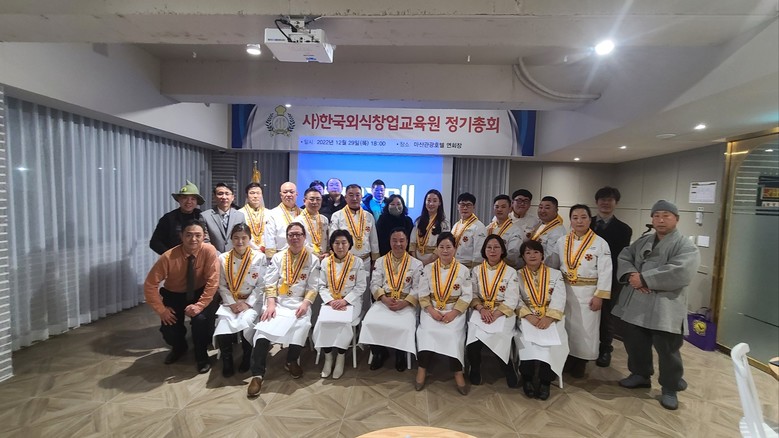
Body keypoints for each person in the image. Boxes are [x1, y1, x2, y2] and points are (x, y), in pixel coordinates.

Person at [612, 200, 700, 411]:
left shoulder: (686, 246)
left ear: (676, 219)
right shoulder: (644, 241)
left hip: (666, 305)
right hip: (638, 303)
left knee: (668, 349)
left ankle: (670, 387)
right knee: (635, 342)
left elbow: (681, 272)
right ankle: (640, 374)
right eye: (657, 216)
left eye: (666, 216)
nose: (661, 220)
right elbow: (625, 255)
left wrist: (644, 279)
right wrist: (631, 275)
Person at [247, 223, 320, 397]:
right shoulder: (278, 257)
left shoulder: (313, 259)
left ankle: (291, 360)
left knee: (302, 326)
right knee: (263, 331)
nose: (295, 238)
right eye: (291, 235)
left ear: (304, 237)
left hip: (299, 302)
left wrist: (305, 304)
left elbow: (313, 286)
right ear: (286, 237)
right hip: (278, 302)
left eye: (298, 234)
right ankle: (257, 374)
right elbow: (270, 282)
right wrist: (271, 304)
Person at [144, 220, 220, 373]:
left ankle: (201, 356)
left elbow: (213, 281)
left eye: (198, 235)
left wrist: (200, 305)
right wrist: (161, 310)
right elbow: (150, 284)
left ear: (204, 236)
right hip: (175, 294)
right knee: (170, 328)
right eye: (189, 235)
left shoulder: (209, 251)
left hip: (200, 292)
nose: (193, 239)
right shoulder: (168, 256)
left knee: (201, 321)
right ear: (181, 236)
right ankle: (179, 347)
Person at [550, 204, 612, 379]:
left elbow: (606, 271)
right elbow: (554, 265)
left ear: (590, 220)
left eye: (583, 217)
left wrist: (600, 296)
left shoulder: (600, 243)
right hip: (565, 291)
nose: (579, 221)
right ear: (570, 220)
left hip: (588, 293)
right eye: (575, 217)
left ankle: (581, 362)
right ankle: (567, 358)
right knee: (566, 327)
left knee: (586, 329)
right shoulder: (562, 241)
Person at [415, 232, 473, 395]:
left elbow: (467, 295)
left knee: (453, 336)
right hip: (431, 311)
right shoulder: (428, 269)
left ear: (455, 248)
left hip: (454, 312)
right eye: (441, 247)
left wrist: (454, 313)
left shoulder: (463, 270)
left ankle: (457, 372)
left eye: (449, 247)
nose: (445, 250)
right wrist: (432, 311)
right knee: (426, 332)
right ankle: (422, 369)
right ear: (437, 249)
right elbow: (422, 293)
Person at [358, 228, 422, 372]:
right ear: (389, 241)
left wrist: (404, 303)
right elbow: (374, 284)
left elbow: (417, 288)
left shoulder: (416, 264)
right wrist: (385, 299)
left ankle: (401, 353)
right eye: (394, 240)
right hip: (384, 301)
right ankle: (379, 352)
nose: (398, 244)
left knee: (404, 325)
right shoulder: (381, 261)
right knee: (369, 322)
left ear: (407, 242)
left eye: (402, 240)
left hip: (405, 303)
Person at [515, 240, 568, 400]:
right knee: (526, 342)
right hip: (527, 317)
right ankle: (527, 378)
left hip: (551, 317)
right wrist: (528, 316)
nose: (532, 255)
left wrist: (549, 317)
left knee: (554, 343)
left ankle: (546, 381)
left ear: (542, 255)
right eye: (528, 253)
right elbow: (516, 299)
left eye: (536, 252)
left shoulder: (555, 274)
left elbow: (559, 297)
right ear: (523, 257)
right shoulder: (517, 275)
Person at [465, 235, 520, 388]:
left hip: (501, 312)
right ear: (484, 250)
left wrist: (495, 314)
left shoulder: (510, 272)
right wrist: (481, 309)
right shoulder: (476, 270)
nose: (492, 250)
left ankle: (507, 368)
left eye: (496, 247)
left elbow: (512, 298)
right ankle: (475, 367)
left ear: (502, 250)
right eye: (489, 247)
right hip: (481, 310)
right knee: (474, 336)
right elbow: (472, 294)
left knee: (500, 335)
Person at [214, 224, 266, 377]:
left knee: (247, 323)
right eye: (236, 238)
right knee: (223, 323)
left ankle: (246, 357)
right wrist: (231, 303)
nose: (240, 241)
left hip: (252, 302)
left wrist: (247, 303)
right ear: (231, 239)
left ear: (250, 239)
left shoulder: (259, 257)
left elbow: (262, 284)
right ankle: (227, 360)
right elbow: (221, 285)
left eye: (244, 238)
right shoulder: (223, 258)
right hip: (231, 302)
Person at [312, 230, 367, 379]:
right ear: (331, 245)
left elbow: (361, 286)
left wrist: (345, 301)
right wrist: (331, 301)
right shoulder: (325, 262)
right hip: (330, 302)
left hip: (350, 302)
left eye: (344, 243)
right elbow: (321, 286)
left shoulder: (357, 262)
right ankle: (328, 358)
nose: (340, 246)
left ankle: (341, 358)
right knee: (323, 322)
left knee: (343, 322)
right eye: (336, 243)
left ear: (350, 244)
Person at [591, 186, 633, 367]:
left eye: (610, 200)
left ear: (616, 203)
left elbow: (620, 258)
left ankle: (605, 349)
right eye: (602, 199)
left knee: (606, 315)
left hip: (610, 279)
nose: (605, 203)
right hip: (585, 277)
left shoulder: (624, 229)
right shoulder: (587, 223)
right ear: (596, 202)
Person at [330, 184, 380, 302]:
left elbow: (373, 240)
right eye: (351, 195)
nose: (354, 198)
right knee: (345, 291)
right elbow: (333, 240)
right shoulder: (337, 216)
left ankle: (364, 313)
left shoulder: (368, 216)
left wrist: (375, 261)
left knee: (365, 293)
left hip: (365, 260)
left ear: (361, 197)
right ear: (345, 197)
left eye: (357, 195)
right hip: (345, 261)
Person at [149, 180, 206, 255]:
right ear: (179, 199)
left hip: (199, 258)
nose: (189, 202)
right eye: (185, 198)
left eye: (193, 199)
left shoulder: (202, 216)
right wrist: (170, 256)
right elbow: (155, 242)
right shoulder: (168, 218)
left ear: (197, 202)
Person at [202, 183, 246, 253]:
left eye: (227, 194)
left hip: (236, 256)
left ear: (232, 197)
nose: (224, 197)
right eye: (220, 194)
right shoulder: (205, 216)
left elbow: (243, 238)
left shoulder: (240, 216)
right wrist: (220, 256)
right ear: (214, 197)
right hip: (214, 257)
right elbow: (205, 241)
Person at [410, 189, 450, 266]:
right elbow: (412, 243)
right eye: (428, 200)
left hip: (435, 261)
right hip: (416, 262)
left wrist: (427, 262)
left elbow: (443, 244)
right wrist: (416, 262)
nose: (431, 204)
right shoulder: (418, 221)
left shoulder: (444, 223)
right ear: (425, 202)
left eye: (434, 201)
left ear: (439, 203)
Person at [263, 182, 301, 258]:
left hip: (301, 255)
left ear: (296, 194)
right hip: (281, 256)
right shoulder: (272, 213)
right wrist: (271, 258)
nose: (288, 195)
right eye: (285, 192)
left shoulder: (303, 213)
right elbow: (270, 237)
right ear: (281, 195)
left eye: (291, 192)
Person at [485, 195, 523, 268]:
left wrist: (494, 260)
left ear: (510, 209)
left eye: (503, 207)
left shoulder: (516, 230)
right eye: (497, 207)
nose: (499, 209)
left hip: (506, 268)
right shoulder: (488, 228)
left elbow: (513, 254)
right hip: (487, 267)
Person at [452, 193, 487, 269]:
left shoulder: (479, 227)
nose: (465, 208)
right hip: (454, 265)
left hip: (468, 267)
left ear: (474, 207)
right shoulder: (456, 226)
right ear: (458, 206)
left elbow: (479, 253)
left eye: (468, 205)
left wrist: (474, 270)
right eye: (462, 205)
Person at [293, 187, 330, 259]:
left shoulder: (324, 219)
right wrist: (315, 254)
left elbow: (328, 240)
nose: (315, 202)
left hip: (324, 257)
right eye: (312, 199)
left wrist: (327, 252)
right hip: (306, 257)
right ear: (304, 201)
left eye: (318, 199)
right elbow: (299, 242)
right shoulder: (298, 221)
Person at [530, 196, 566, 263]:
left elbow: (551, 259)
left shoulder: (557, 231)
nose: (542, 211)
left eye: (547, 208)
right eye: (540, 207)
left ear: (556, 210)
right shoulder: (540, 223)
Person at [240, 182, 267, 252]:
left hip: (265, 250)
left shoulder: (269, 213)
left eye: (258, 193)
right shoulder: (240, 213)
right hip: (246, 251)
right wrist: (255, 248)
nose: (255, 196)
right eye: (252, 193)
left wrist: (263, 247)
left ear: (262, 195)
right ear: (247, 196)